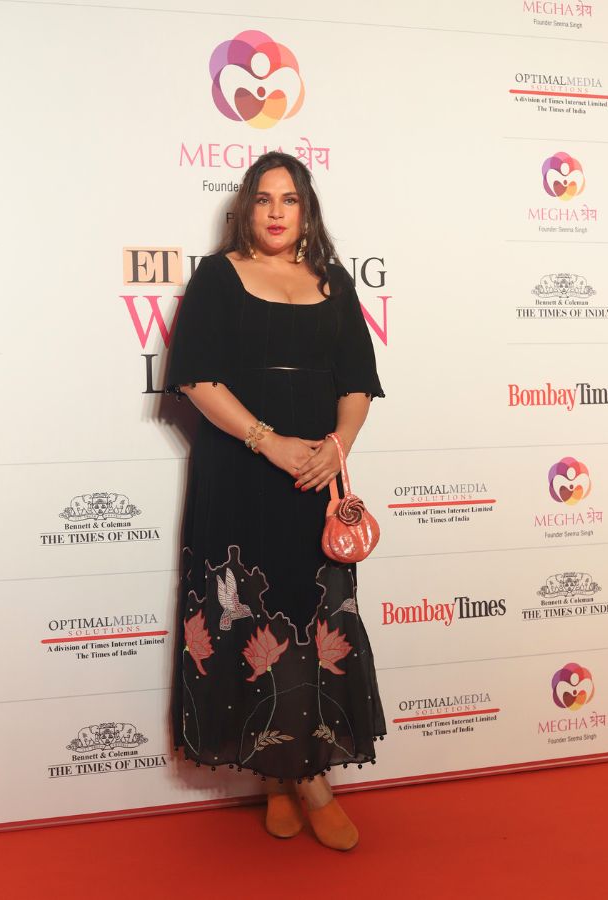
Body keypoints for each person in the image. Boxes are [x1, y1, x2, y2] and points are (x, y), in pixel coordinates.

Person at [162, 151, 386, 851]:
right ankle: (294, 779)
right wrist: (268, 441)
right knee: (248, 619)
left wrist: (336, 447)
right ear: (246, 208)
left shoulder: (333, 282)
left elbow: (358, 381)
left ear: (306, 209)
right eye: (264, 199)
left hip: (313, 480)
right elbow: (196, 379)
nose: (277, 211)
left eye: (289, 199)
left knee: (309, 616)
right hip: (238, 474)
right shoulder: (218, 276)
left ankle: (295, 772)